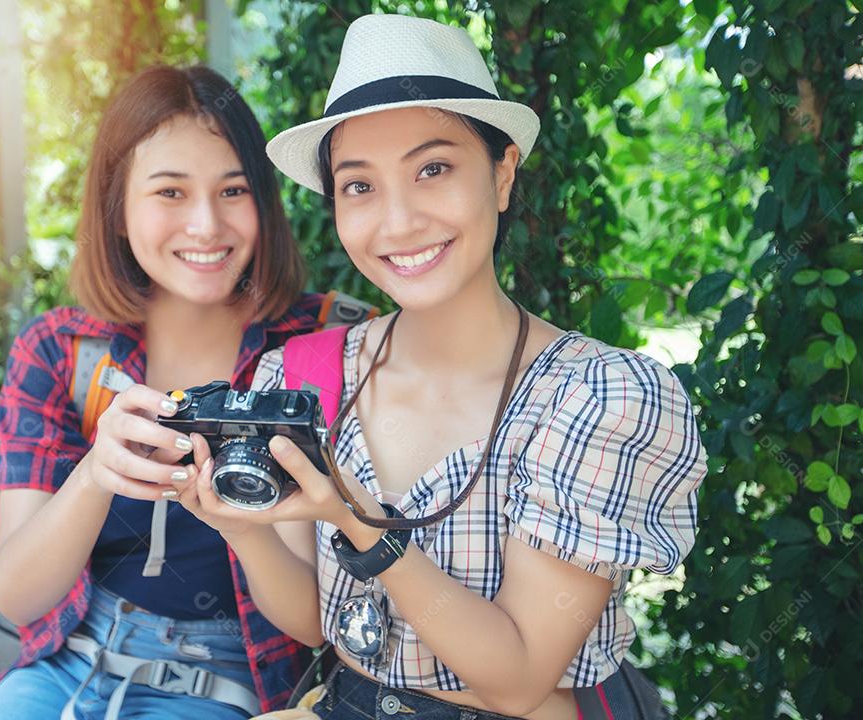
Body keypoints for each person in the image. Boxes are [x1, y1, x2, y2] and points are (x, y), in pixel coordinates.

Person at [176, 15, 708, 720]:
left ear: (502, 174)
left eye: (433, 169)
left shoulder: (599, 397)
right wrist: (239, 524)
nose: (397, 222)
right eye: (359, 186)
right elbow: (313, 621)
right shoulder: (303, 375)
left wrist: (358, 520)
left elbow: (518, 679)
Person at [0, 64, 334, 720]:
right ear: (116, 209)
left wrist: (240, 523)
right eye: (170, 192)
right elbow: (18, 597)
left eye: (233, 190)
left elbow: (310, 622)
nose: (206, 225)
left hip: (229, 677)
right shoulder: (60, 350)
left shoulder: (315, 347)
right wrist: (95, 474)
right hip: (68, 661)